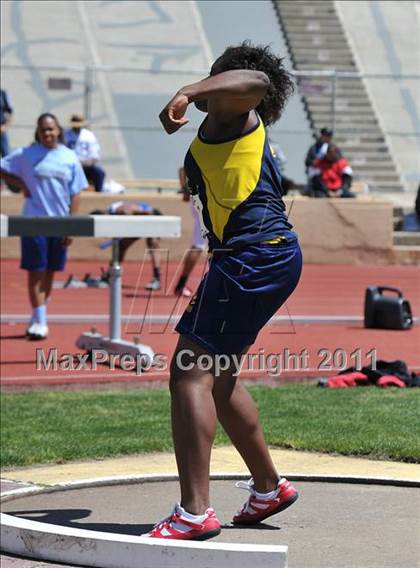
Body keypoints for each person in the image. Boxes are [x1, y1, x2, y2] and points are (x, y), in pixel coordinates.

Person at [144, 41, 302, 541]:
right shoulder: (225, 132)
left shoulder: (236, 118)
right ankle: (268, 487)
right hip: (260, 256)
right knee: (220, 375)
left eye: (219, 79)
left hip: (253, 255)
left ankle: (193, 512)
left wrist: (189, 91)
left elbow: (256, 84)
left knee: (188, 373)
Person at [0, 113, 88, 339]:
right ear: (38, 133)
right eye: (43, 130)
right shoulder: (27, 154)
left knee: (50, 272)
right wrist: (19, 183)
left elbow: (76, 191)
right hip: (33, 221)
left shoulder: (69, 157)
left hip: (60, 222)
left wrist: (71, 224)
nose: (47, 133)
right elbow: (2, 167)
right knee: (36, 272)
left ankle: (38, 314)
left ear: (58, 130)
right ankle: (40, 320)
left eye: (51, 129)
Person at [91, 201, 162, 291]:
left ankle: (157, 279)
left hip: (150, 217)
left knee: (153, 245)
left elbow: (129, 209)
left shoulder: (115, 209)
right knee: (121, 247)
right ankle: (110, 276)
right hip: (140, 222)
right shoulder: (112, 214)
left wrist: (144, 213)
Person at [174, 166, 206, 297]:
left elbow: (182, 170)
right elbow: (182, 170)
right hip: (203, 203)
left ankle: (181, 284)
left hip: (199, 201)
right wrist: (186, 190)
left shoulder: (200, 153)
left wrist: (186, 190)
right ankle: (181, 285)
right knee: (199, 245)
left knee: (198, 244)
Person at [64, 113, 106, 192]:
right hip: (69, 166)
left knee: (99, 173)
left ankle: (99, 194)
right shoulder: (65, 134)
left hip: (85, 166)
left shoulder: (88, 135)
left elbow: (94, 155)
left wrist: (84, 163)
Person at [0, 89, 13, 158]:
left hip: (1, 132)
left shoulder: (3, 94)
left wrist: (5, 126)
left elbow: (9, 112)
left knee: (6, 156)